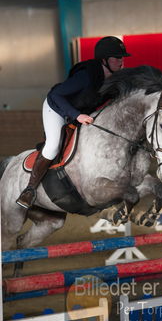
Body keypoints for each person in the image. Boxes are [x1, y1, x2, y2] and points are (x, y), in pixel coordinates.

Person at [16, 36, 131, 209]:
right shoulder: (86, 76)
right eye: (117, 57)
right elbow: (56, 96)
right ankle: (29, 190)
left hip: (79, 112)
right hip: (56, 107)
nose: (121, 61)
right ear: (104, 60)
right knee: (53, 145)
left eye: (122, 57)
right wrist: (77, 115)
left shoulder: (114, 80)